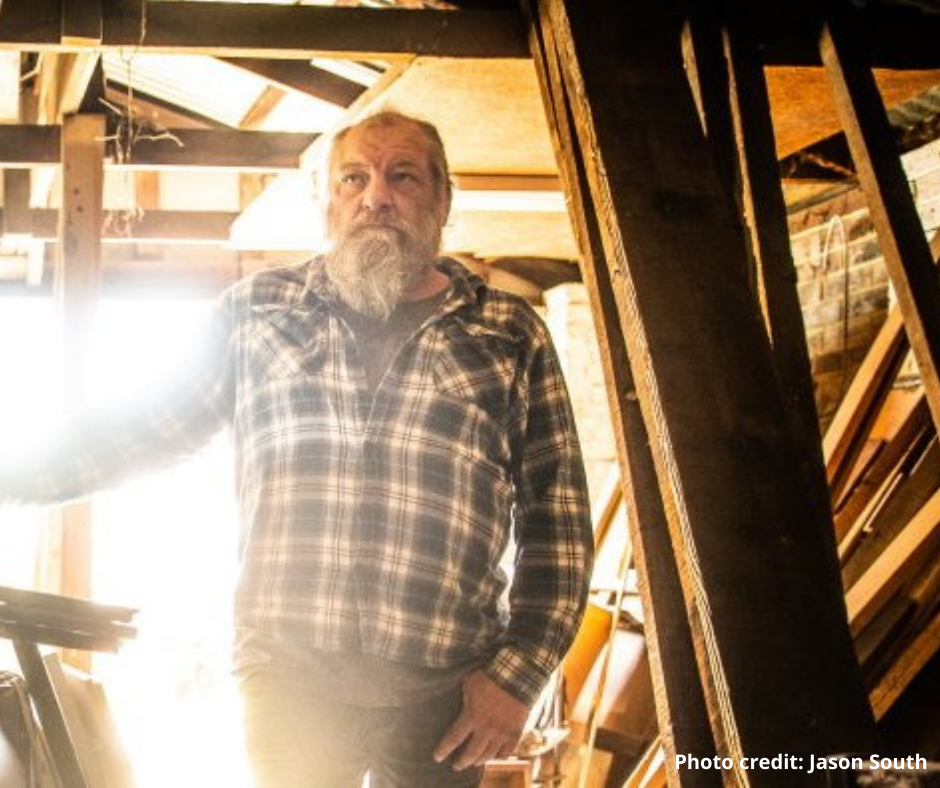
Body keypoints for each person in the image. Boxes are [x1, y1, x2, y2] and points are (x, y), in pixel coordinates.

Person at [0, 110, 593, 787]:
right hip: (290, 686)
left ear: (442, 200)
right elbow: (129, 430)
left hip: (447, 693)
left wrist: (517, 677)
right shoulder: (256, 314)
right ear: (327, 203)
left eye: (403, 176)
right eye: (353, 178)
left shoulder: (508, 332)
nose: (377, 196)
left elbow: (558, 521)